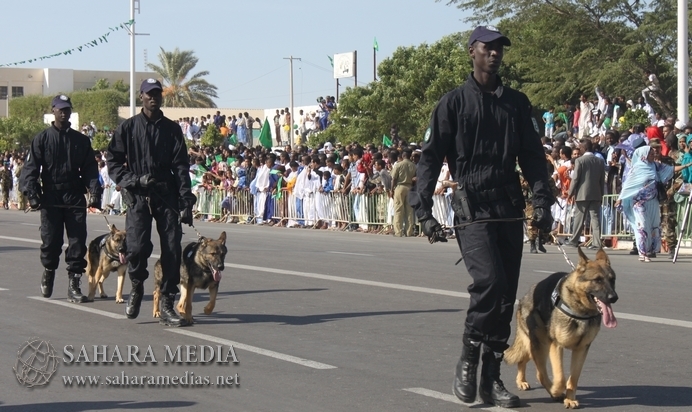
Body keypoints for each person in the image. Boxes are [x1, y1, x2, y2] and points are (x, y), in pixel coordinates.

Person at [410, 26, 554, 408]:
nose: (494, 54)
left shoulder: (517, 103)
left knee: (506, 296)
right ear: (471, 52)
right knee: (488, 282)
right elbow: (429, 158)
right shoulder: (453, 103)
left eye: (499, 49)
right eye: (487, 48)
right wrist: (422, 209)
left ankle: (491, 378)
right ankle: (468, 357)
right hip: (472, 207)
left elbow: (534, 158)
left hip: (508, 207)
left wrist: (542, 203)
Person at [106, 79, 197, 327]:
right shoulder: (127, 128)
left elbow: (181, 167)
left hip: (166, 197)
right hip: (138, 196)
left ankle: (167, 301)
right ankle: (136, 287)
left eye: (157, 94)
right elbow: (113, 162)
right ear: (141, 97)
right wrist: (133, 180)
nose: (153, 98)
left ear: (161, 97)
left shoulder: (172, 129)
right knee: (135, 248)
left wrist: (186, 201)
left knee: (171, 249)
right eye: (148, 94)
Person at [20, 95, 102, 303]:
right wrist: (32, 193)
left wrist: (94, 191)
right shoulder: (42, 139)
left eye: (67, 110)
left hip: (74, 195)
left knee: (77, 242)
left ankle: (74, 284)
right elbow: (30, 170)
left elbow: (91, 169)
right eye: (60, 109)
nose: (64, 113)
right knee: (51, 242)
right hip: (51, 196)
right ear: (53, 111)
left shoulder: (81, 141)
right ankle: (49, 270)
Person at [616, 145, 674, 262]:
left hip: (653, 201)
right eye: (651, 154)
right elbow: (628, 185)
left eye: (653, 153)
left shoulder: (655, 166)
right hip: (639, 203)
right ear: (644, 155)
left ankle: (650, 250)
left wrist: (687, 165)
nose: (654, 155)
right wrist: (620, 198)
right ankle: (642, 253)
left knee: (652, 226)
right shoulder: (636, 169)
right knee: (642, 226)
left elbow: (671, 169)